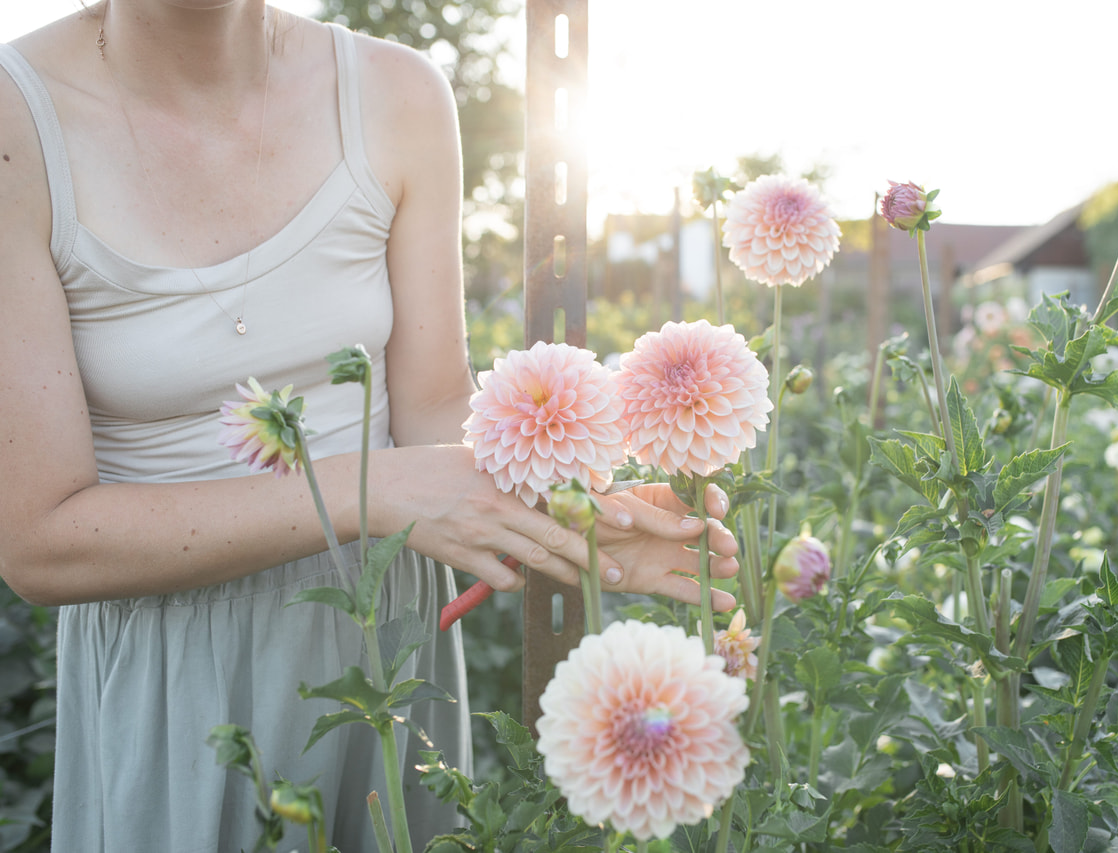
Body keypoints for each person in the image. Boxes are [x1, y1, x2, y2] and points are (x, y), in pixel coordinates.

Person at [0, 2, 739, 850]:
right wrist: (372, 490)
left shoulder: (397, 93)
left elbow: (433, 416)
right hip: (178, 672)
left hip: (384, 648)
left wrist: (579, 520)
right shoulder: (16, 117)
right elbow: (40, 542)